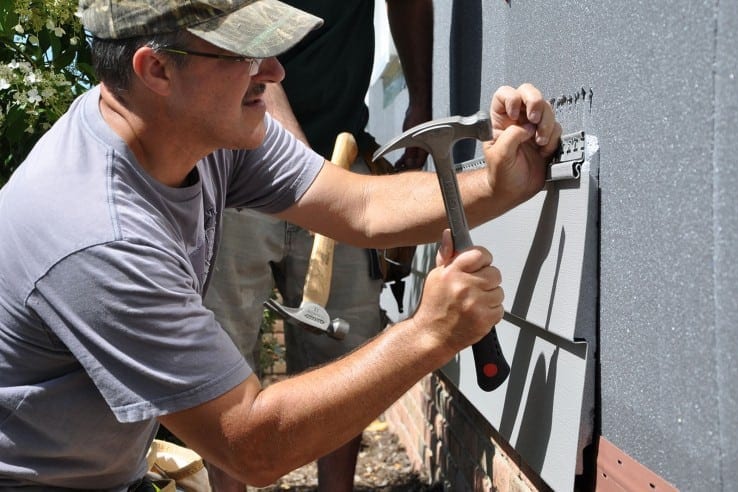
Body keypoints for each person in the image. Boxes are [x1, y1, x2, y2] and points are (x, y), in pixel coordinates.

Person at [0, 0, 561, 490]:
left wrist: (494, 184)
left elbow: (360, 207)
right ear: (157, 69)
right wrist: (429, 333)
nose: (273, 70)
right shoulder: (101, 236)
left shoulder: (196, 129)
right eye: (241, 52)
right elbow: (251, 443)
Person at [202, 2, 432, 490]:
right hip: (238, 169)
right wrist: (303, 172)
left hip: (341, 155)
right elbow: (249, 37)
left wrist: (421, 97)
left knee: (345, 355)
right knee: (222, 358)